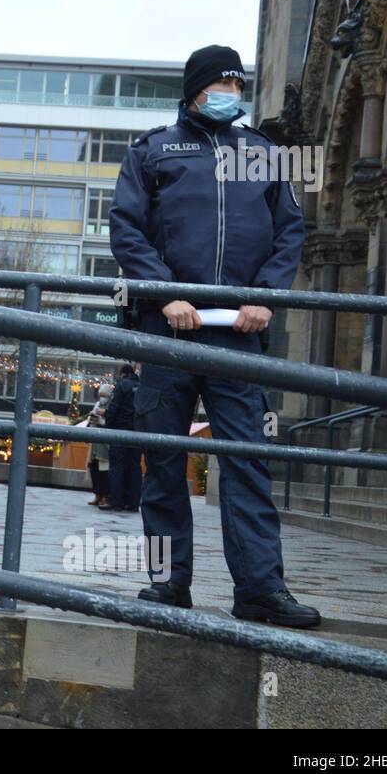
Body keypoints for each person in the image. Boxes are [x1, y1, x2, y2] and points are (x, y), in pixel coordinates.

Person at [109, 43, 317, 628]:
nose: (231, 92)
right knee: (165, 460)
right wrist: (164, 293)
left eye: (237, 82)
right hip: (168, 330)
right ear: (195, 88)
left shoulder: (264, 154)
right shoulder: (153, 151)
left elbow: (289, 232)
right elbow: (126, 229)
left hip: (237, 333)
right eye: (220, 82)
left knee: (247, 463)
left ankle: (259, 589)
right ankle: (167, 583)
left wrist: (263, 298)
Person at [101, 363, 143, 512]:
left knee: (117, 466)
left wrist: (109, 426)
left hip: (120, 430)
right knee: (134, 466)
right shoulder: (142, 385)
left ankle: (116, 501)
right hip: (137, 432)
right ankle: (133, 502)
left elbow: (113, 408)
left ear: (123, 374)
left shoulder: (122, 385)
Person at [86, 383, 112, 506]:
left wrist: (101, 421)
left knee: (104, 471)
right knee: (94, 469)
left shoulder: (111, 407)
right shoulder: (97, 405)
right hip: (94, 444)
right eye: (100, 395)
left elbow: (111, 423)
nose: (102, 397)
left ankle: (105, 496)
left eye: (104, 395)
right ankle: (97, 494)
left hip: (104, 445)